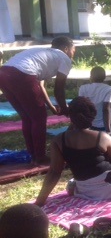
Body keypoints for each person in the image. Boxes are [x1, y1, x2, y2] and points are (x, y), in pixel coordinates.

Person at [0, 36, 75, 165]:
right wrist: (65, 108)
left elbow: (40, 87)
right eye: (74, 50)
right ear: (66, 48)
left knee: (27, 116)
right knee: (39, 117)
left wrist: (52, 107)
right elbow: (59, 89)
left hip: (3, 74)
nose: (73, 53)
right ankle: (40, 157)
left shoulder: (43, 55)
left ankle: (33, 154)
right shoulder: (64, 58)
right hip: (21, 75)